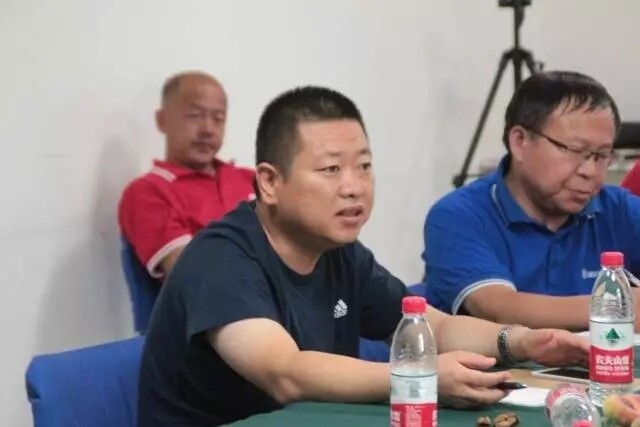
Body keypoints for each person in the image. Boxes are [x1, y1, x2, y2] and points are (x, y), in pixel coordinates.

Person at [138, 85, 589, 426]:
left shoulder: (339, 252)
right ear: (270, 182)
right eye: (331, 169)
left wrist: (522, 342)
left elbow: (434, 327)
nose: (354, 186)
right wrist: (420, 379)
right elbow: (285, 373)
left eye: (365, 166)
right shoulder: (221, 258)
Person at [423, 70, 640, 330]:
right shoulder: (459, 216)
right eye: (576, 151)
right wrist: (621, 306)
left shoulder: (619, 210)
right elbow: (499, 309)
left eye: (602, 155)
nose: (590, 171)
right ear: (519, 142)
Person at [118, 71, 255, 279]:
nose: (208, 129)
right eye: (194, 115)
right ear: (162, 120)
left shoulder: (251, 179)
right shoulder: (148, 192)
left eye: (218, 119)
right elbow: (197, 275)